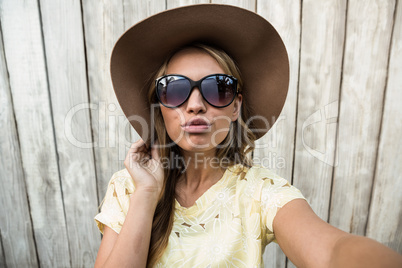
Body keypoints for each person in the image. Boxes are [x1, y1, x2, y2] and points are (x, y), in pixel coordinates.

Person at [93, 4, 402, 268]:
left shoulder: (260, 192)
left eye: (218, 88)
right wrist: (147, 194)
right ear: (161, 105)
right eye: (175, 89)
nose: (196, 105)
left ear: (235, 106)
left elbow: (331, 250)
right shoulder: (129, 187)